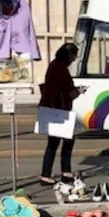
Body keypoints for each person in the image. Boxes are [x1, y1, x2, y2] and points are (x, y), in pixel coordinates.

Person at [39, 43, 80, 186]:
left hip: (53, 108)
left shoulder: (54, 65)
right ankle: (63, 173)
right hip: (59, 110)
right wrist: (77, 92)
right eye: (74, 55)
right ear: (68, 55)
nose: (74, 59)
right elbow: (67, 91)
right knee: (66, 141)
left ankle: (48, 173)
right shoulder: (61, 69)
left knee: (54, 142)